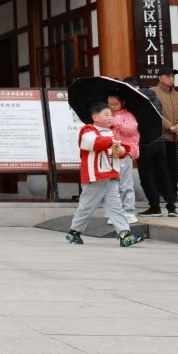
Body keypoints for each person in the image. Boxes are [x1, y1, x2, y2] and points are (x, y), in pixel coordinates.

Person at [65, 103, 143, 247]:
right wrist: (112, 142)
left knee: (116, 207)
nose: (110, 118)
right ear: (95, 117)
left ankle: (124, 234)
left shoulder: (111, 133)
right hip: (95, 177)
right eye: (106, 115)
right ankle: (74, 231)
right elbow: (92, 143)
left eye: (111, 115)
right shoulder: (88, 130)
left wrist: (121, 150)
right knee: (86, 207)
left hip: (110, 176)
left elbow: (117, 151)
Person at [123, 75, 175, 219]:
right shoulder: (153, 97)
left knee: (147, 175)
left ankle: (155, 207)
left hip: (143, 142)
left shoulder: (132, 101)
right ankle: (172, 207)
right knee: (164, 173)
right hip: (159, 139)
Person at [152, 66, 178, 206]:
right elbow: (154, 113)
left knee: (174, 167)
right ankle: (161, 193)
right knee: (161, 167)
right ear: (160, 78)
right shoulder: (153, 93)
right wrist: (169, 126)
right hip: (160, 138)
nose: (171, 78)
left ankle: (173, 193)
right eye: (168, 76)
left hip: (175, 137)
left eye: (172, 76)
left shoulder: (177, 96)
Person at [106, 93, 140, 224]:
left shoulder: (128, 116)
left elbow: (131, 130)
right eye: (110, 104)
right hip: (110, 154)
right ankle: (116, 212)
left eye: (115, 104)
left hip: (124, 154)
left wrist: (115, 122)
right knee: (112, 185)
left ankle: (129, 211)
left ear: (122, 103)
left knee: (125, 183)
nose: (112, 107)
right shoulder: (107, 115)